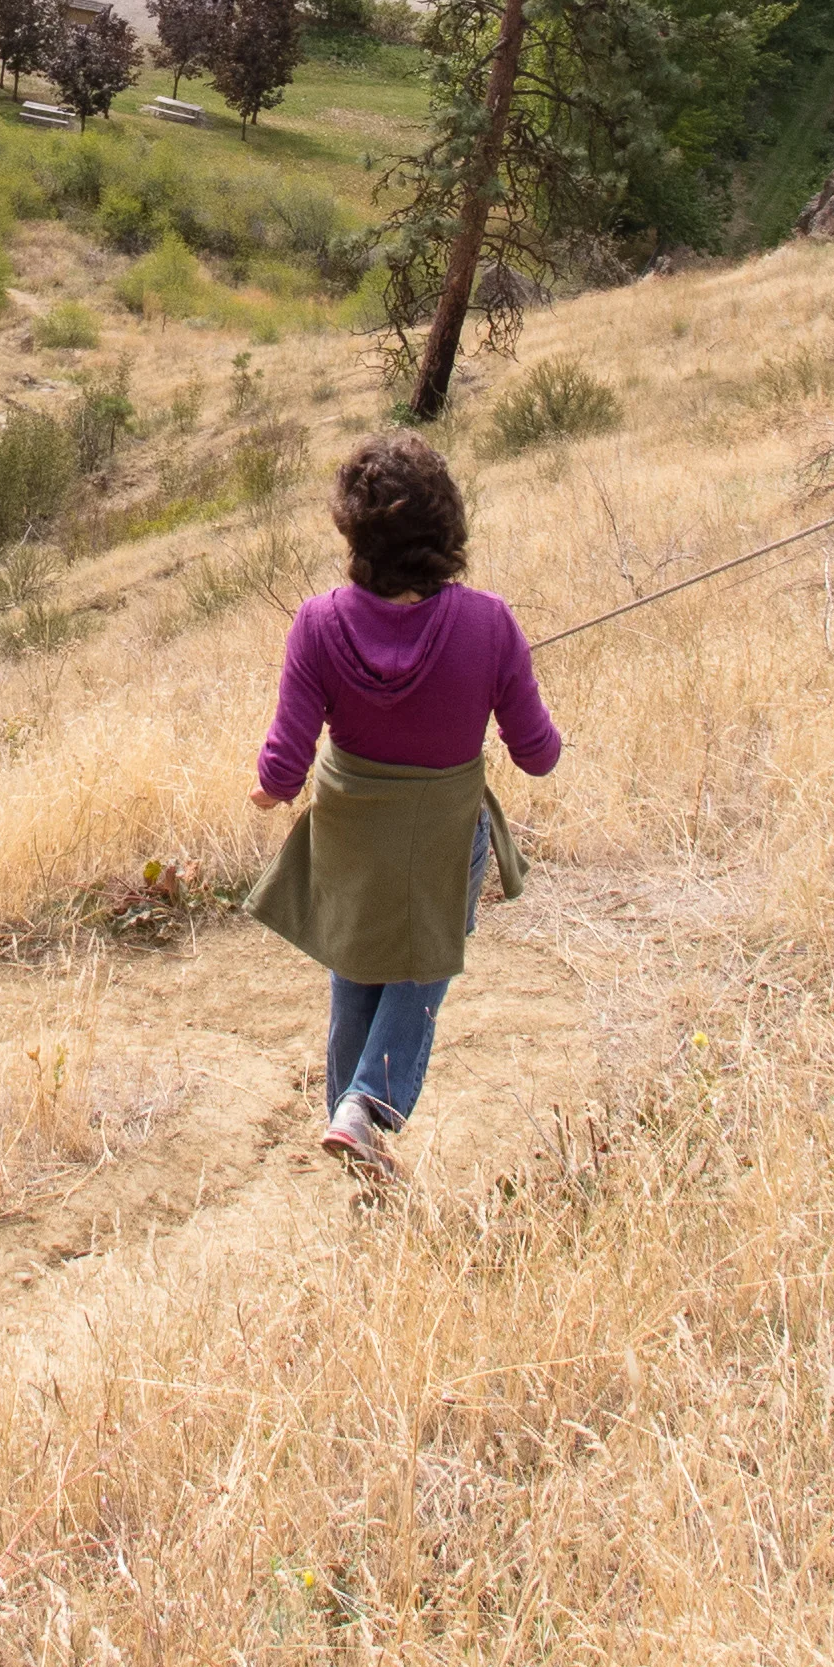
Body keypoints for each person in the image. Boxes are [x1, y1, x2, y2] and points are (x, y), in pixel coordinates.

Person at [244, 434, 561, 1180]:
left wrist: (263, 789)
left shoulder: (317, 625)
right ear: (446, 526)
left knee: (356, 966)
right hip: (443, 833)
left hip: (351, 834)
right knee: (419, 964)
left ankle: (348, 1124)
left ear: (355, 533)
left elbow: (283, 767)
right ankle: (368, 1109)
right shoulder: (489, 623)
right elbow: (538, 754)